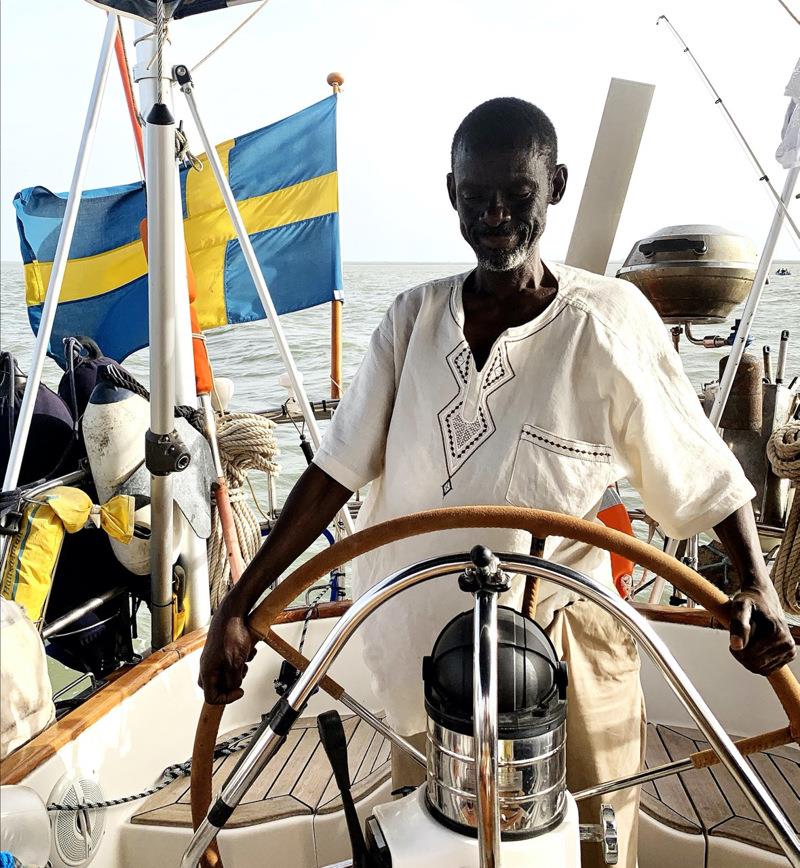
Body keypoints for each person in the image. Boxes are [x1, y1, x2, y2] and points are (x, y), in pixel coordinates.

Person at [199, 98, 795, 867]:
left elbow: (701, 469)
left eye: (519, 196)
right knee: (431, 848)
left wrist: (755, 582)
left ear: (557, 188)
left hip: (564, 648)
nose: (496, 215)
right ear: (451, 192)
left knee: (593, 848)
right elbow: (330, 474)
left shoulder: (607, 320)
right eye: (477, 196)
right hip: (426, 663)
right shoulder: (409, 320)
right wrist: (239, 603)